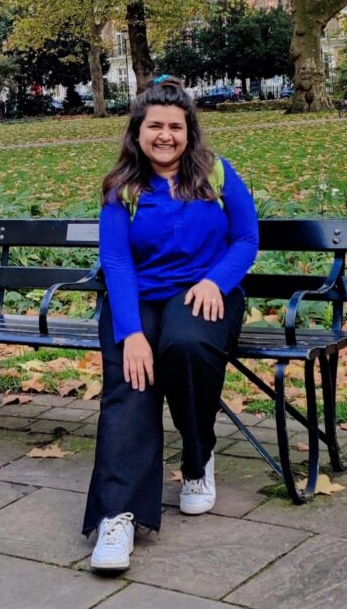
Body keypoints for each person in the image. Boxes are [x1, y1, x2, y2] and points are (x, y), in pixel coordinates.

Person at [85, 76, 258, 572]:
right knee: (131, 381)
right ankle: (117, 516)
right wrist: (131, 333)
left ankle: (197, 461)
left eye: (175, 127)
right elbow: (116, 262)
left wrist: (216, 281)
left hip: (204, 293)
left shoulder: (216, 174)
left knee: (186, 346)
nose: (165, 135)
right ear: (137, 131)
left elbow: (246, 239)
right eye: (155, 126)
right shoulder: (122, 187)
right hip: (137, 298)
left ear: (189, 131)